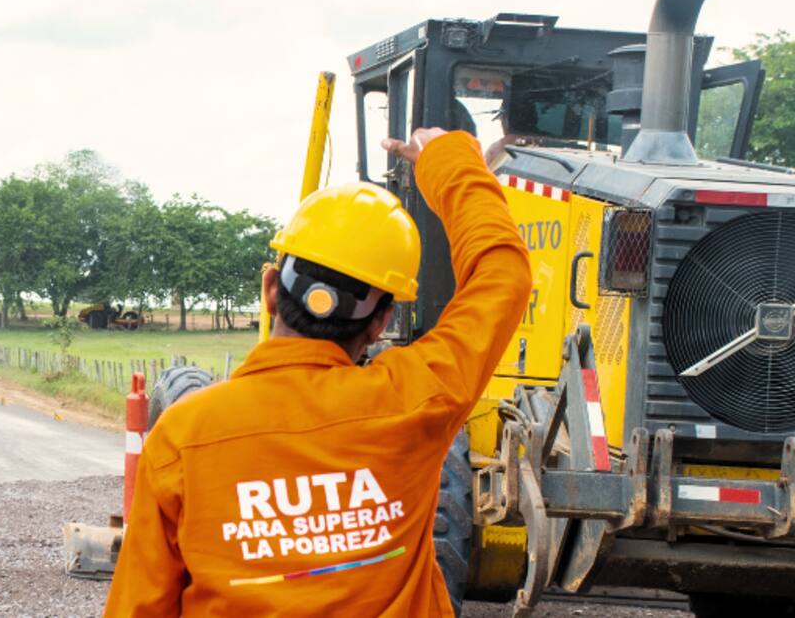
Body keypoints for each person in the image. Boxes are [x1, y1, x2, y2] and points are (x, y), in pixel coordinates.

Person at [103, 128, 532, 617]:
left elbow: (137, 607)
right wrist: (448, 159)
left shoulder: (182, 436)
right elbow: (503, 274)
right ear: (378, 323)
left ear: (270, 289)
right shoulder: (415, 399)